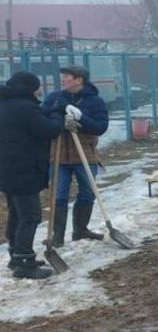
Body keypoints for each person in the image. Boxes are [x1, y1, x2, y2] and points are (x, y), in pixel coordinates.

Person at [0, 72, 65, 278]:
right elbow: (49, 130)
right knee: (30, 215)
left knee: (16, 213)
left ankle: (16, 255)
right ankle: (24, 263)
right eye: (36, 87)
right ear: (30, 88)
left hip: (7, 168)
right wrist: (58, 114)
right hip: (23, 168)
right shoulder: (24, 107)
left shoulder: (5, 104)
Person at [41, 65, 110, 245]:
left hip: (85, 154)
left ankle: (80, 230)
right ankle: (56, 236)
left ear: (79, 80)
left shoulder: (95, 102)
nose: (63, 79)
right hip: (58, 155)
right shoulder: (54, 98)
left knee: (88, 193)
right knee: (59, 195)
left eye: (67, 77)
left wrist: (80, 118)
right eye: (62, 76)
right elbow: (42, 116)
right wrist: (61, 111)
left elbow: (100, 127)